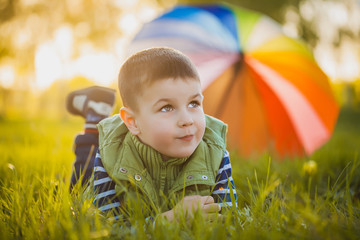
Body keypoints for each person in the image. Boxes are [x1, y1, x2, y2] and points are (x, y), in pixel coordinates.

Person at [67, 47, 237, 223]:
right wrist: (169, 220)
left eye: (193, 103)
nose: (187, 120)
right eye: (167, 107)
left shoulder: (216, 155)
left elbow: (228, 222)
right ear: (132, 122)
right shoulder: (111, 155)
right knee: (80, 186)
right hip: (114, 149)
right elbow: (107, 228)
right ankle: (94, 116)